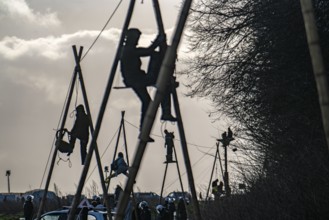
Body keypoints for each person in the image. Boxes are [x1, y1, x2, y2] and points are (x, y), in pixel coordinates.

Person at [120, 28, 176, 133]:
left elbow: (146, 51)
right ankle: (165, 112)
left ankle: (145, 129)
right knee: (164, 84)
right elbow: (147, 51)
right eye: (136, 38)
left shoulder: (128, 49)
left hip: (137, 79)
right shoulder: (127, 50)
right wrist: (157, 41)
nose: (137, 41)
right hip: (136, 79)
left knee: (147, 102)